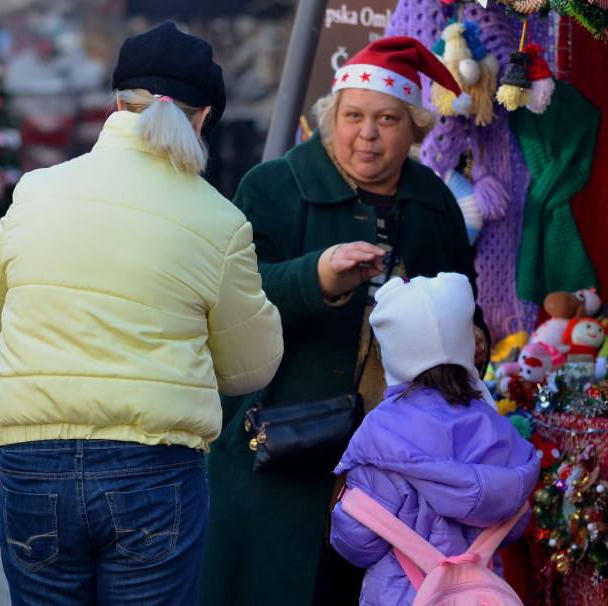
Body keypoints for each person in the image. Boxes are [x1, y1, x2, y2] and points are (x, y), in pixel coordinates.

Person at [0, 21, 283, 606]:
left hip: (33, 461)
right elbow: (250, 369)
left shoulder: (38, 191)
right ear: (202, 120)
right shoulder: (219, 221)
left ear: (117, 104)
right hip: (157, 470)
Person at [198, 36, 489, 605]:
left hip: (398, 465)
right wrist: (318, 278)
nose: (368, 134)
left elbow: (465, 300)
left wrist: (475, 338)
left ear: (416, 130)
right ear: (331, 118)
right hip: (276, 449)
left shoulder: (433, 204)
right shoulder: (274, 188)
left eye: (387, 119)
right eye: (353, 116)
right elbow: (230, 297)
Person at [330, 273, 539, 605]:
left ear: (393, 354)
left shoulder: (384, 432)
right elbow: (513, 528)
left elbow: (357, 543)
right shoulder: (497, 428)